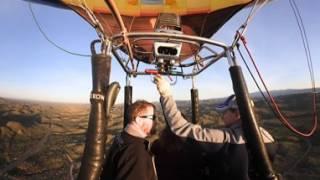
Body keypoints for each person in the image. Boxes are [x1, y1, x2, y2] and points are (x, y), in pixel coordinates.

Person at [153, 75, 277, 180]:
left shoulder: (227, 138)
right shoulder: (268, 137)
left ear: (237, 113)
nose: (222, 116)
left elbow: (179, 127)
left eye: (225, 112)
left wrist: (166, 94)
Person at [100, 100, 157, 180]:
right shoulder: (136, 152)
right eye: (152, 117)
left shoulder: (122, 137)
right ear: (139, 120)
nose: (155, 121)